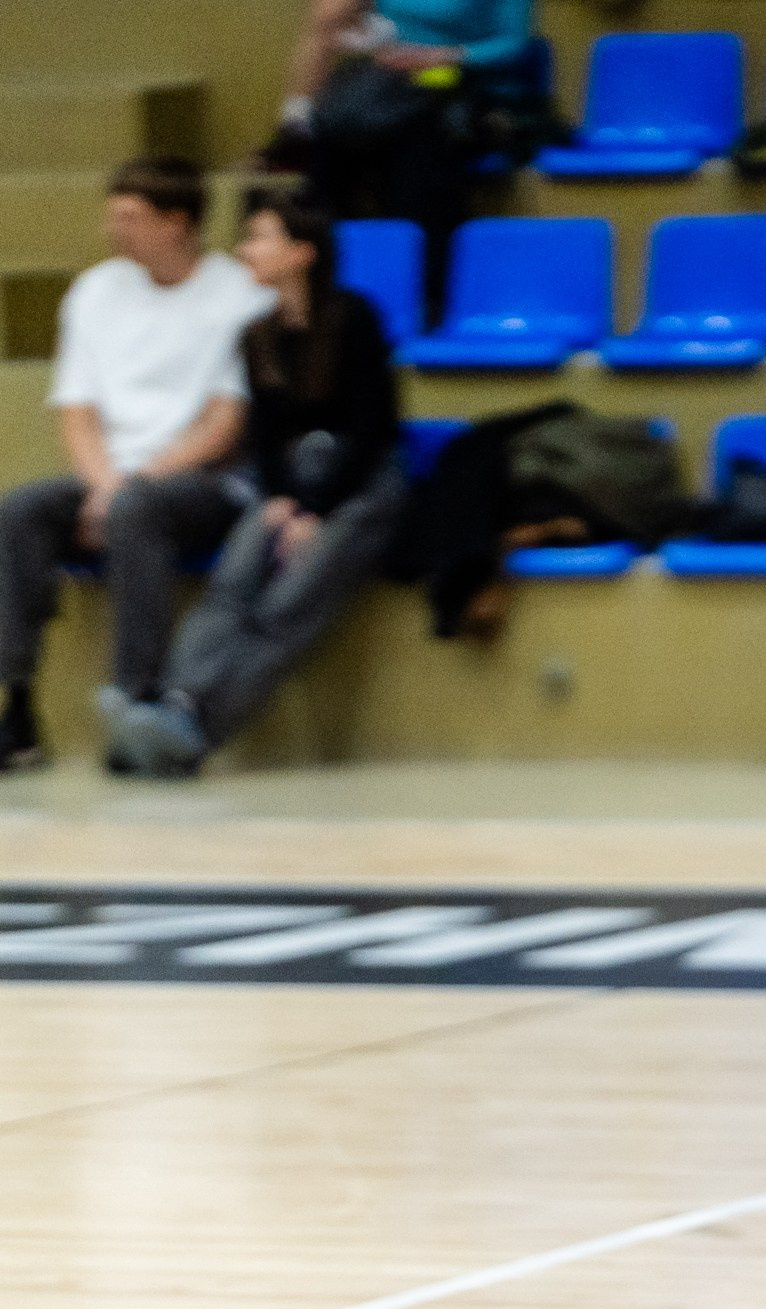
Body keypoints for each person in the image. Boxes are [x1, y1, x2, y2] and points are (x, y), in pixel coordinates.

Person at [106, 192, 404, 778]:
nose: (245, 249)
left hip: (360, 487)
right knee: (233, 581)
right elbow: (266, 438)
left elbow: (373, 428)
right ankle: (177, 702)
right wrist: (283, 501)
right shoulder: (258, 335)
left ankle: (195, 734)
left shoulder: (355, 319)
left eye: (259, 237)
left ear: (302, 252)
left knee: (287, 603)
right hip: (293, 484)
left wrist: (314, 510)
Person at [0, 158, 272, 770]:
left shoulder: (238, 294)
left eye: (129, 217)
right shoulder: (95, 291)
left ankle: (137, 701)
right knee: (21, 511)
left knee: (137, 509)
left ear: (176, 221)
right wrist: (105, 486)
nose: (112, 229)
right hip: (113, 476)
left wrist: (131, 486)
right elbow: (78, 412)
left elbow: (226, 423)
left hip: (206, 482)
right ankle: (17, 706)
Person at [259, 0, 536, 169]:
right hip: (391, 77)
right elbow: (371, 30)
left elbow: (513, 45)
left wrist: (441, 56)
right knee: (330, 123)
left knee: (421, 130)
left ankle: (422, 254)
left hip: (458, 76)